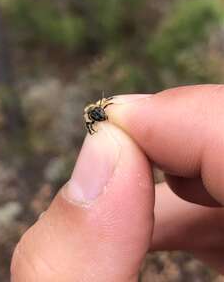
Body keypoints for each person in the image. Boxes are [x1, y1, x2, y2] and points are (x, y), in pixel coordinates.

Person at [11, 85, 224, 281]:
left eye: (99, 113)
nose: (98, 114)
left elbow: (99, 113)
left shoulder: (98, 112)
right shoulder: (97, 112)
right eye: (96, 115)